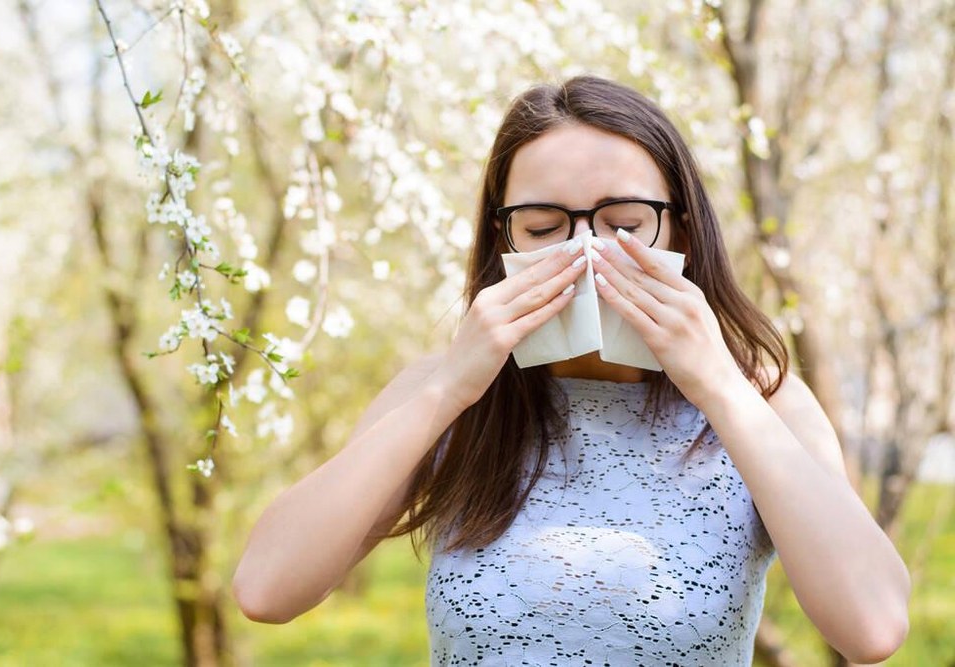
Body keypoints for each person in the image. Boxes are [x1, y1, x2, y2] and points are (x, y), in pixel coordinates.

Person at [232, 75, 910, 666]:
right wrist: (449, 388)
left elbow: (873, 626)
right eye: (543, 226)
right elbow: (266, 588)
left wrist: (719, 387)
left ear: (681, 229)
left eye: (623, 221)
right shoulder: (446, 396)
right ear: (502, 238)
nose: (585, 253)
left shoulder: (763, 401)